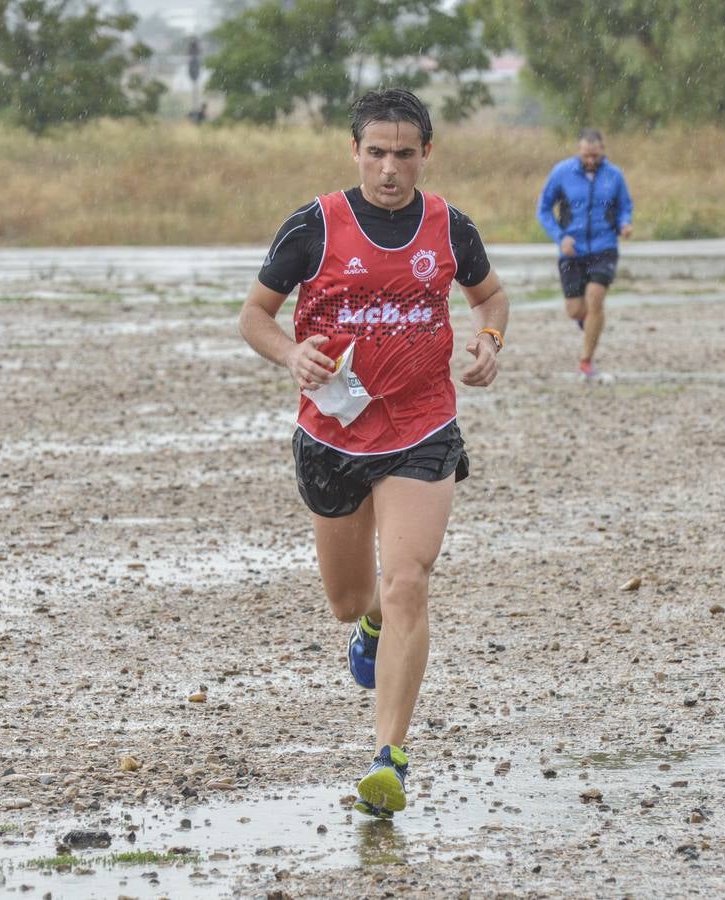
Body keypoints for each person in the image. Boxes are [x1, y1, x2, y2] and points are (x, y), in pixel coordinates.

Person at [238, 89, 509, 820]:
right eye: (378, 153)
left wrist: (489, 343)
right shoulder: (313, 226)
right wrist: (291, 353)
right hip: (334, 433)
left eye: (405, 153)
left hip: (423, 426)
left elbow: (490, 297)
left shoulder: (449, 227)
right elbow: (253, 316)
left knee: (409, 581)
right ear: (354, 149)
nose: (391, 169)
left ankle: (388, 757)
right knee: (351, 601)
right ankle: (370, 627)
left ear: (427, 152)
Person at [536, 128, 633, 380]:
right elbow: (544, 209)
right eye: (586, 156)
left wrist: (625, 223)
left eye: (595, 155)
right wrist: (560, 237)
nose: (590, 160)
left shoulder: (615, 175)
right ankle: (590, 323)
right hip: (572, 250)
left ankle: (586, 361)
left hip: (605, 246)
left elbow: (625, 206)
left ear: (602, 150)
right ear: (580, 150)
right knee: (575, 310)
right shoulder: (561, 173)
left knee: (595, 298)